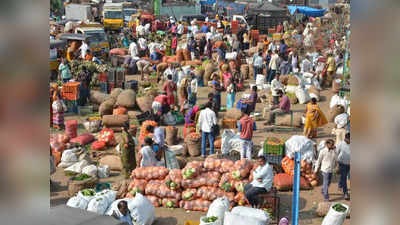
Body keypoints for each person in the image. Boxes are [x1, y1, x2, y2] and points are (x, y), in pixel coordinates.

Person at [336, 133, 350, 200]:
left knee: (343, 176)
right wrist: (337, 164)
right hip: (342, 163)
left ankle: (340, 184)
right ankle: (345, 193)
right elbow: (336, 153)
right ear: (346, 138)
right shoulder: (340, 144)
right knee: (344, 177)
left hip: (350, 164)